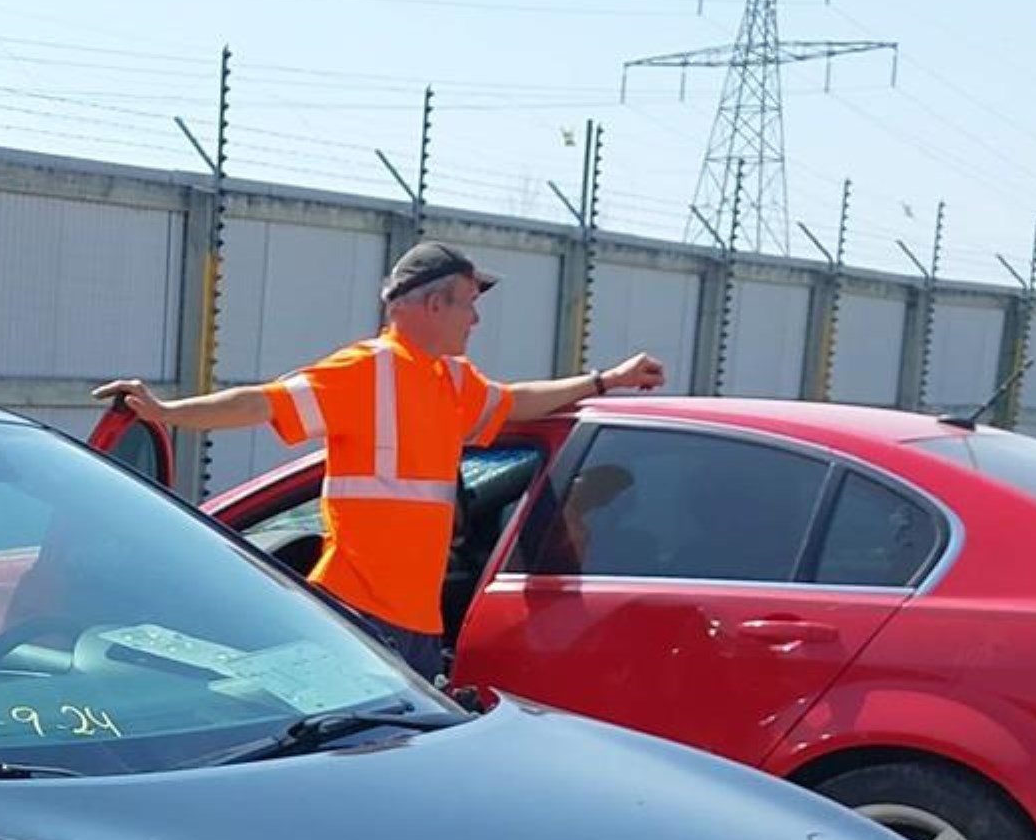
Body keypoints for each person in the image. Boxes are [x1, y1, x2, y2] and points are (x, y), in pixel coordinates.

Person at [94, 239, 664, 677]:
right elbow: (259, 404)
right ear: (435, 304)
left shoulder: (451, 379)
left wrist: (603, 380)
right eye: (469, 303)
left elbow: (514, 401)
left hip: (415, 623)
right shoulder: (365, 371)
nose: (476, 319)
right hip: (355, 615)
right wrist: (167, 413)